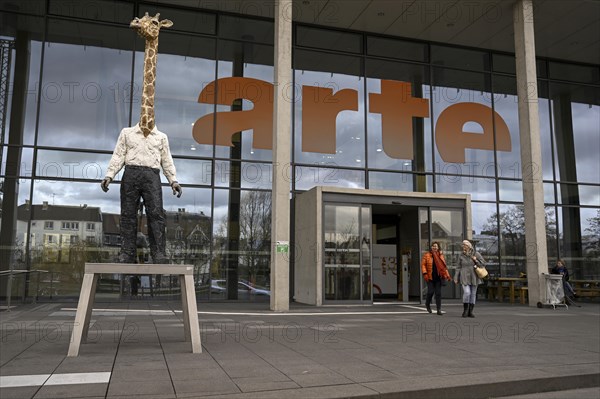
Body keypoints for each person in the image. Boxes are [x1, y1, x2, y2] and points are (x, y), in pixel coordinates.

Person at [100, 124, 182, 264]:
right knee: (127, 214)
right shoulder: (127, 133)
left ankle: (158, 253)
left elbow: (166, 159)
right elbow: (119, 155)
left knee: (156, 214)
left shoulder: (161, 137)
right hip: (131, 173)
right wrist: (110, 175)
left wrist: (173, 180)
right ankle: (127, 253)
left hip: (152, 175)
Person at [454, 240, 486, 318]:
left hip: (474, 276)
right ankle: (465, 310)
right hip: (464, 275)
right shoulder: (461, 255)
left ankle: (470, 311)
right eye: (463, 245)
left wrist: (476, 260)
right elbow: (458, 267)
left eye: (464, 245)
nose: (463, 246)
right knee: (467, 292)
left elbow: (483, 264)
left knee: (473, 294)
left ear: (469, 246)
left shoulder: (476, 254)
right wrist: (455, 277)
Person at [421, 242, 452, 315]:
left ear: (438, 248)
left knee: (438, 293)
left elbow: (444, 267)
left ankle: (439, 309)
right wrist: (425, 273)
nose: (434, 247)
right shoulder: (427, 255)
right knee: (430, 292)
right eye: (433, 246)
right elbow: (423, 265)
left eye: (436, 246)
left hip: (439, 277)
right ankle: (427, 304)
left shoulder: (440, 255)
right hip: (430, 277)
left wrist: (448, 276)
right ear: (431, 247)